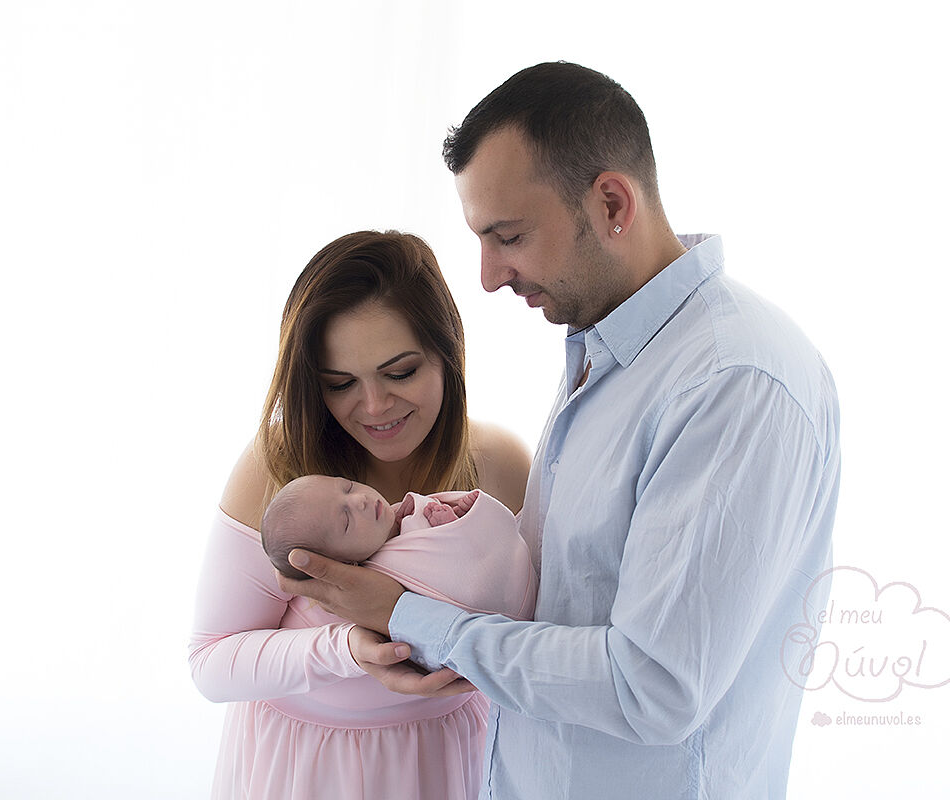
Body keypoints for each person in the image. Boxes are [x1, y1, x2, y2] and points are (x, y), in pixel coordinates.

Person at [278, 62, 841, 799]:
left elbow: (653, 687)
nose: (486, 275)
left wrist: (409, 615)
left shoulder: (729, 384)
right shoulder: (611, 356)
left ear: (611, 202)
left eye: (507, 235)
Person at [189, 230, 530, 800]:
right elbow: (210, 660)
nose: (374, 408)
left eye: (400, 373)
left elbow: (545, 629)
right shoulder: (277, 470)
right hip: (307, 773)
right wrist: (347, 651)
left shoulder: (496, 467)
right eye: (341, 384)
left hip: (458, 764)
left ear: (448, 355)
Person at [260, 475, 536, 620]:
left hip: (520, 568)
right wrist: (448, 529)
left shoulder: (397, 516)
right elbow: (448, 574)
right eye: (346, 520)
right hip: (499, 607)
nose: (360, 500)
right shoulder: (379, 576)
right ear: (344, 566)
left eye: (348, 487)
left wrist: (460, 516)